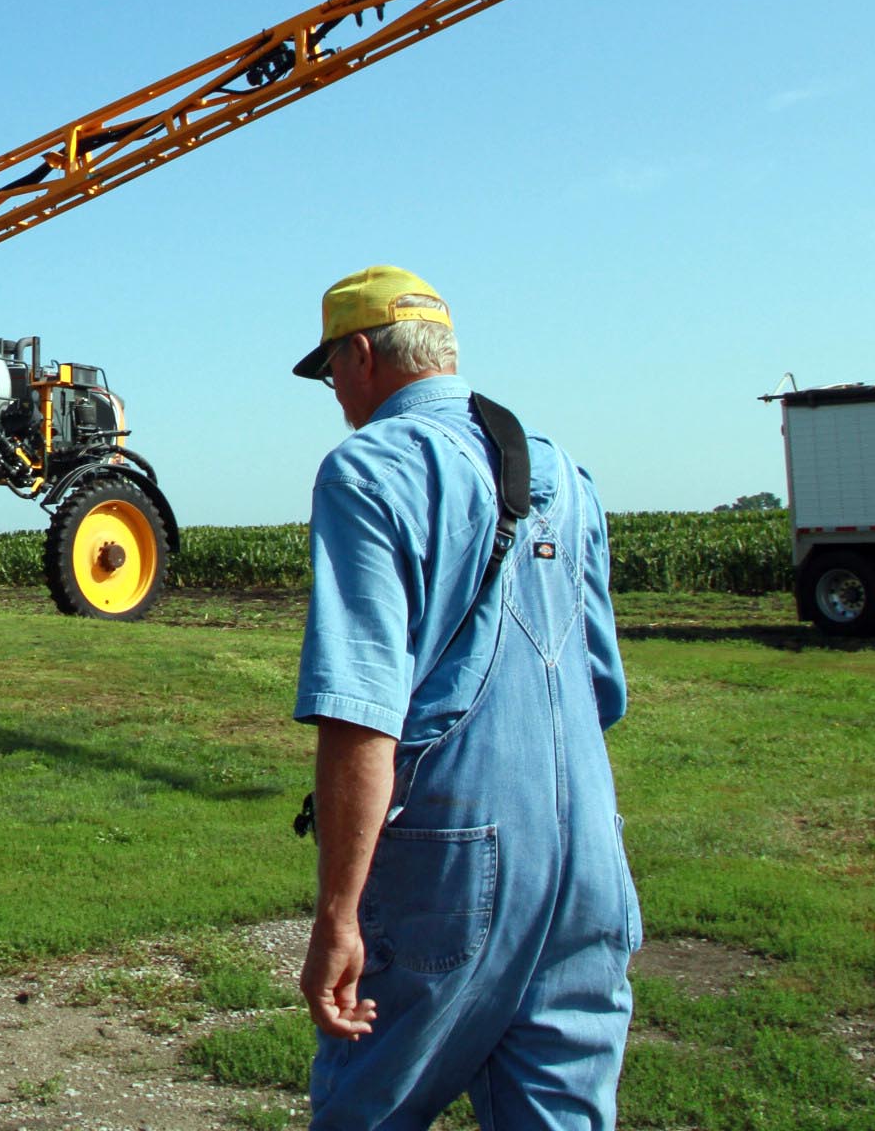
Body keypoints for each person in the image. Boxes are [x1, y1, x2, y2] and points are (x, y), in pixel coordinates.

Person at [290, 265, 640, 1131]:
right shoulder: (563, 470)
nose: (334, 388)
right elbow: (602, 686)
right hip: (589, 853)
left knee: (369, 1107)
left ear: (362, 354)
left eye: (331, 367)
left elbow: (361, 712)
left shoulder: (368, 470)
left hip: (455, 858)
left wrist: (338, 914)